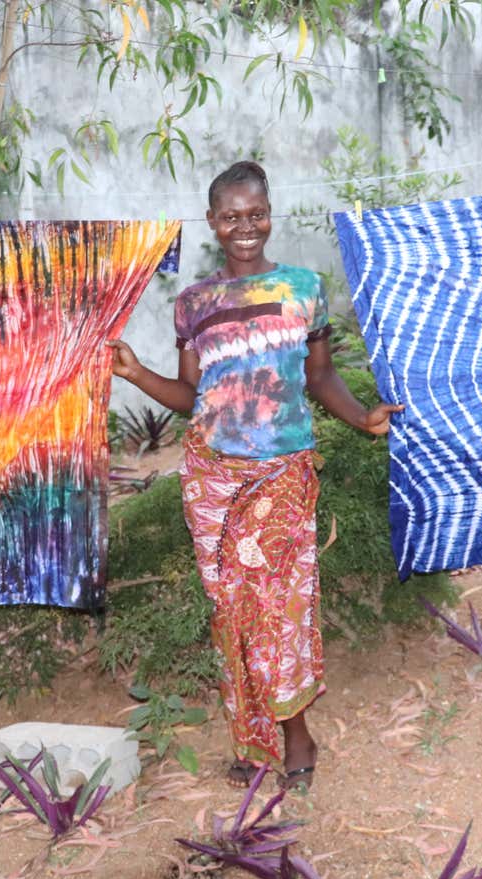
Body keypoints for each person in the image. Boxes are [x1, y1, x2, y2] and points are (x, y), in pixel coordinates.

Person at [107, 161, 402, 793]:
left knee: (280, 610)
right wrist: (134, 373)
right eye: (232, 217)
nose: (246, 227)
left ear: (270, 214)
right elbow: (192, 395)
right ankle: (252, 736)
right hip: (211, 480)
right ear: (213, 223)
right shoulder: (194, 304)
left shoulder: (304, 287)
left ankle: (295, 733)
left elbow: (319, 377)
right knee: (232, 612)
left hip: (282, 475)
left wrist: (361, 418)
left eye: (256, 214)